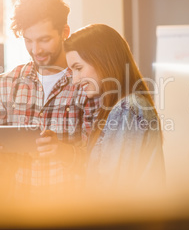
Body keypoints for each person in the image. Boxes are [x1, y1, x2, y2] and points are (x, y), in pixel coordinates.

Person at [0, 0, 98, 203]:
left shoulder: (86, 84)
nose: (35, 49)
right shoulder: (7, 83)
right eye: (28, 40)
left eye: (44, 40)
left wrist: (62, 151)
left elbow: (98, 161)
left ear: (64, 32)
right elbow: (1, 162)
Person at [64, 24, 165, 193]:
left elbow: (112, 191)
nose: (75, 80)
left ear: (102, 60)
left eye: (79, 68)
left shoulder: (127, 108)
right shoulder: (127, 105)